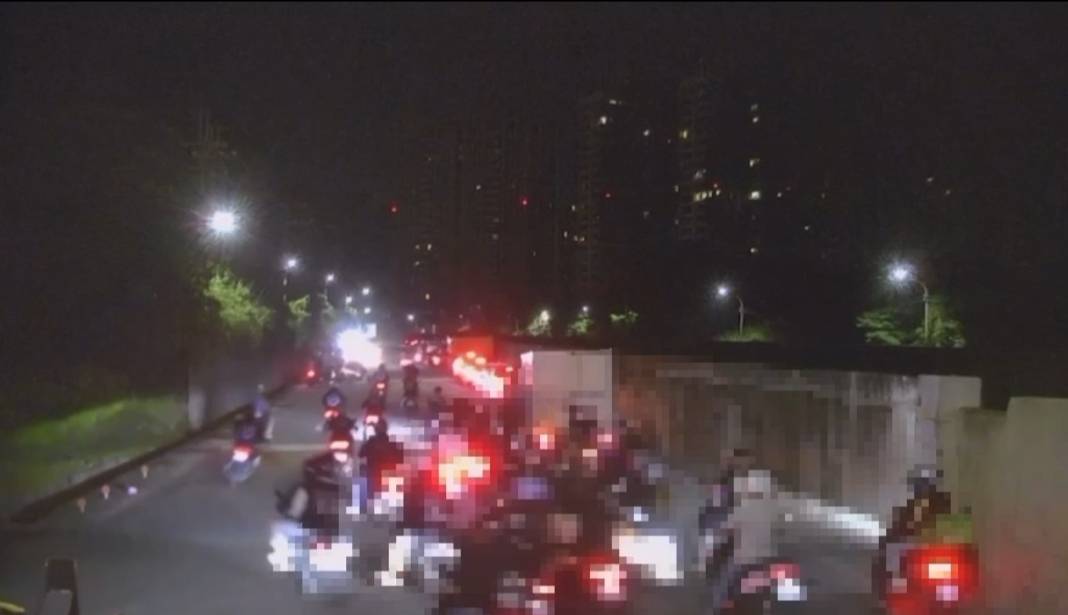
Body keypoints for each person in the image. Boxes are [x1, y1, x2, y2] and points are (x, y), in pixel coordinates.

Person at [711, 468, 785, 612]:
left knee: (722, 586)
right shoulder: (773, 510)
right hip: (768, 561)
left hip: (743, 561)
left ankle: (718, 607)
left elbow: (725, 528)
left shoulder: (743, 508)